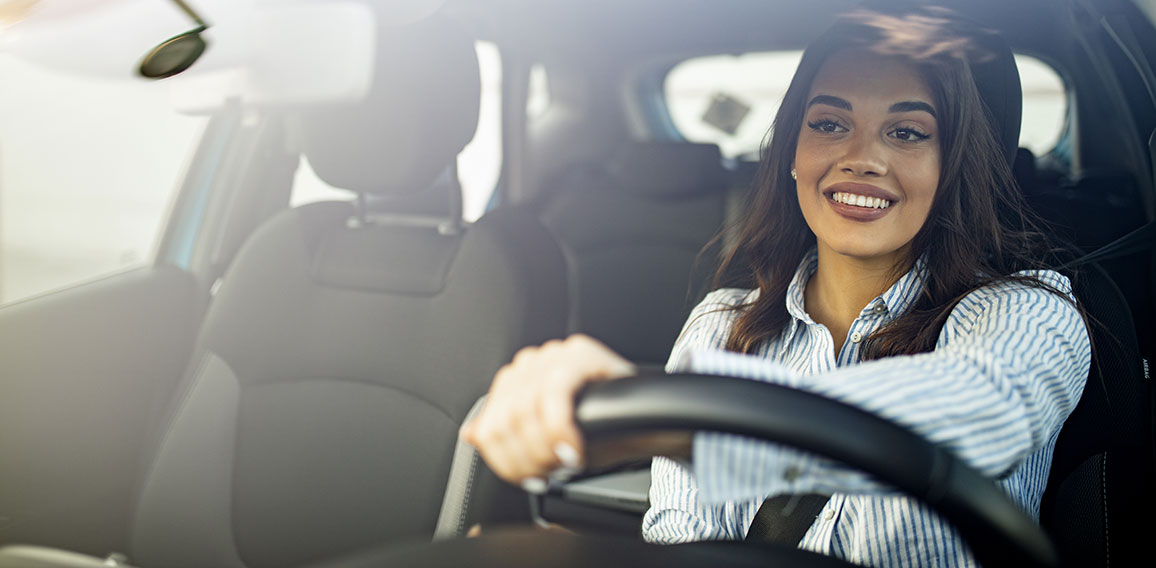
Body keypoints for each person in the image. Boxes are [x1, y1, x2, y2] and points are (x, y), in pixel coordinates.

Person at [461, 5, 1091, 566]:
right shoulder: (721, 325)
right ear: (792, 150)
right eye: (828, 123)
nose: (861, 158)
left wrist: (685, 427)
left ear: (954, 163)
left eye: (907, 132)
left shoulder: (1028, 310)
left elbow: (988, 410)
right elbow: (681, 542)